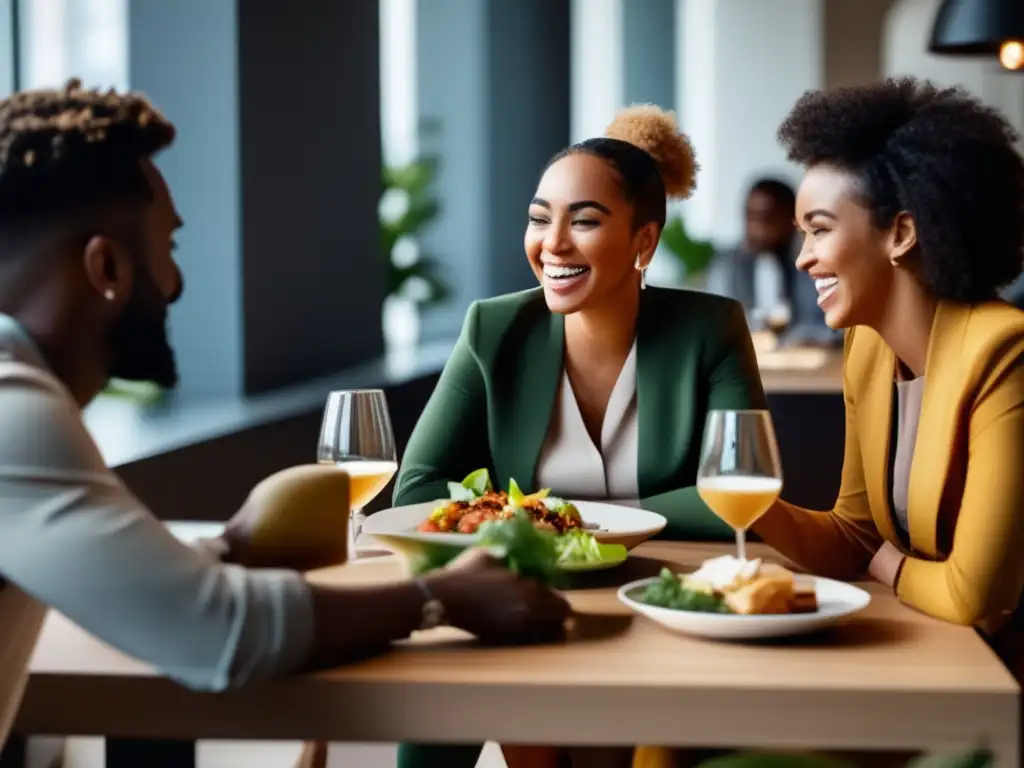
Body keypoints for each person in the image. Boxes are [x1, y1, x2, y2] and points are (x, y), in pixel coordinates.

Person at [0, 80, 570, 750]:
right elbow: (217, 634)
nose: (176, 284)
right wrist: (445, 596)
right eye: (171, 249)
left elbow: (118, 590)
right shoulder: (14, 411)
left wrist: (224, 550)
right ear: (108, 267)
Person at [393, 105, 766, 768]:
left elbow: (733, 492)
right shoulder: (493, 330)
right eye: (540, 218)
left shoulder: (710, 329)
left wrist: (560, 518)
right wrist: (559, 533)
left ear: (644, 242)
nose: (553, 243)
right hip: (514, 597)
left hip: (658, 605)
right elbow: (415, 491)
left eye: (585, 220)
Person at [748, 78, 1024, 671]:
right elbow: (852, 535)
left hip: (998, 674)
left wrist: (888, 564)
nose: (803, 258)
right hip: (928, 642)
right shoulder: (868, 351)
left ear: (900, 233)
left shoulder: (1005, 353)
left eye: (819, 229)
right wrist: (754, 501)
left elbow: (978, 597)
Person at [706, 177, 839, 346]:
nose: (757, 227)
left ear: (793, 221)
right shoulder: (726, 267)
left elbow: (831, 326)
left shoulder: (813, 265)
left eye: (767, 217)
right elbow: (715, 327)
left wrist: (804, 337)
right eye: (750, 216)